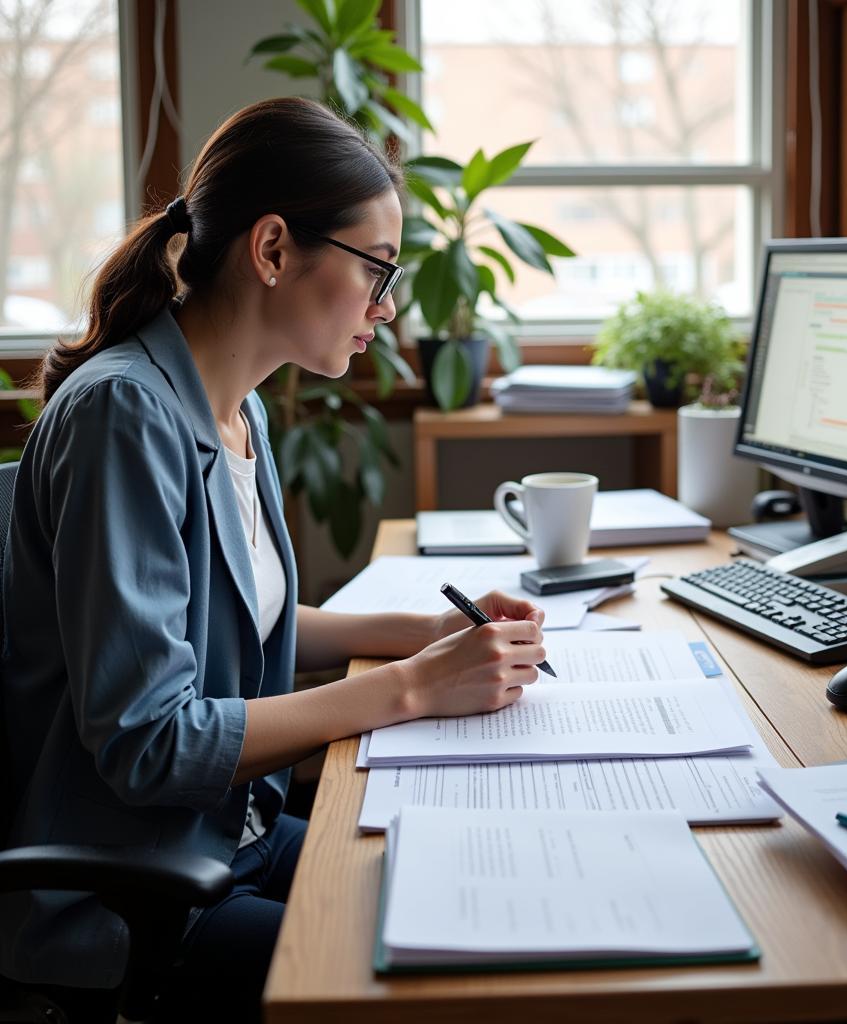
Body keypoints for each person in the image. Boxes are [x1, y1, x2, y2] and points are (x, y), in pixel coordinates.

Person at [0, 96, 546, 1021]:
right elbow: (150, 739)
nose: (388, 306)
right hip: (136, 895)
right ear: (272, 250)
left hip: (226, 836)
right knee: (457, 989)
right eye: (379, 267)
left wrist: (424, 633)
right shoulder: (124, 417)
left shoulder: (237, 408)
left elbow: (230, 621)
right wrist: (411, 687)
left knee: (496, 896)